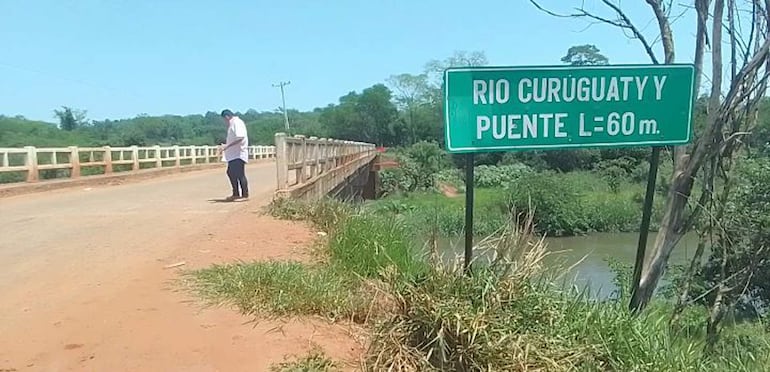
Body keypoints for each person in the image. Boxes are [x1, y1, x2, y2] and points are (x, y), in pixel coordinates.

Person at [219, 109, 249, 201]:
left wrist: (227, 146)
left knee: (239, 174)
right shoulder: (233, 123)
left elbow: (240, 137)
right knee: (232, 173)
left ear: (227, 117)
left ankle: (244, 195)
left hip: (239, 153)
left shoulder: (237, 123)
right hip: (234, 154)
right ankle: (236, 193)